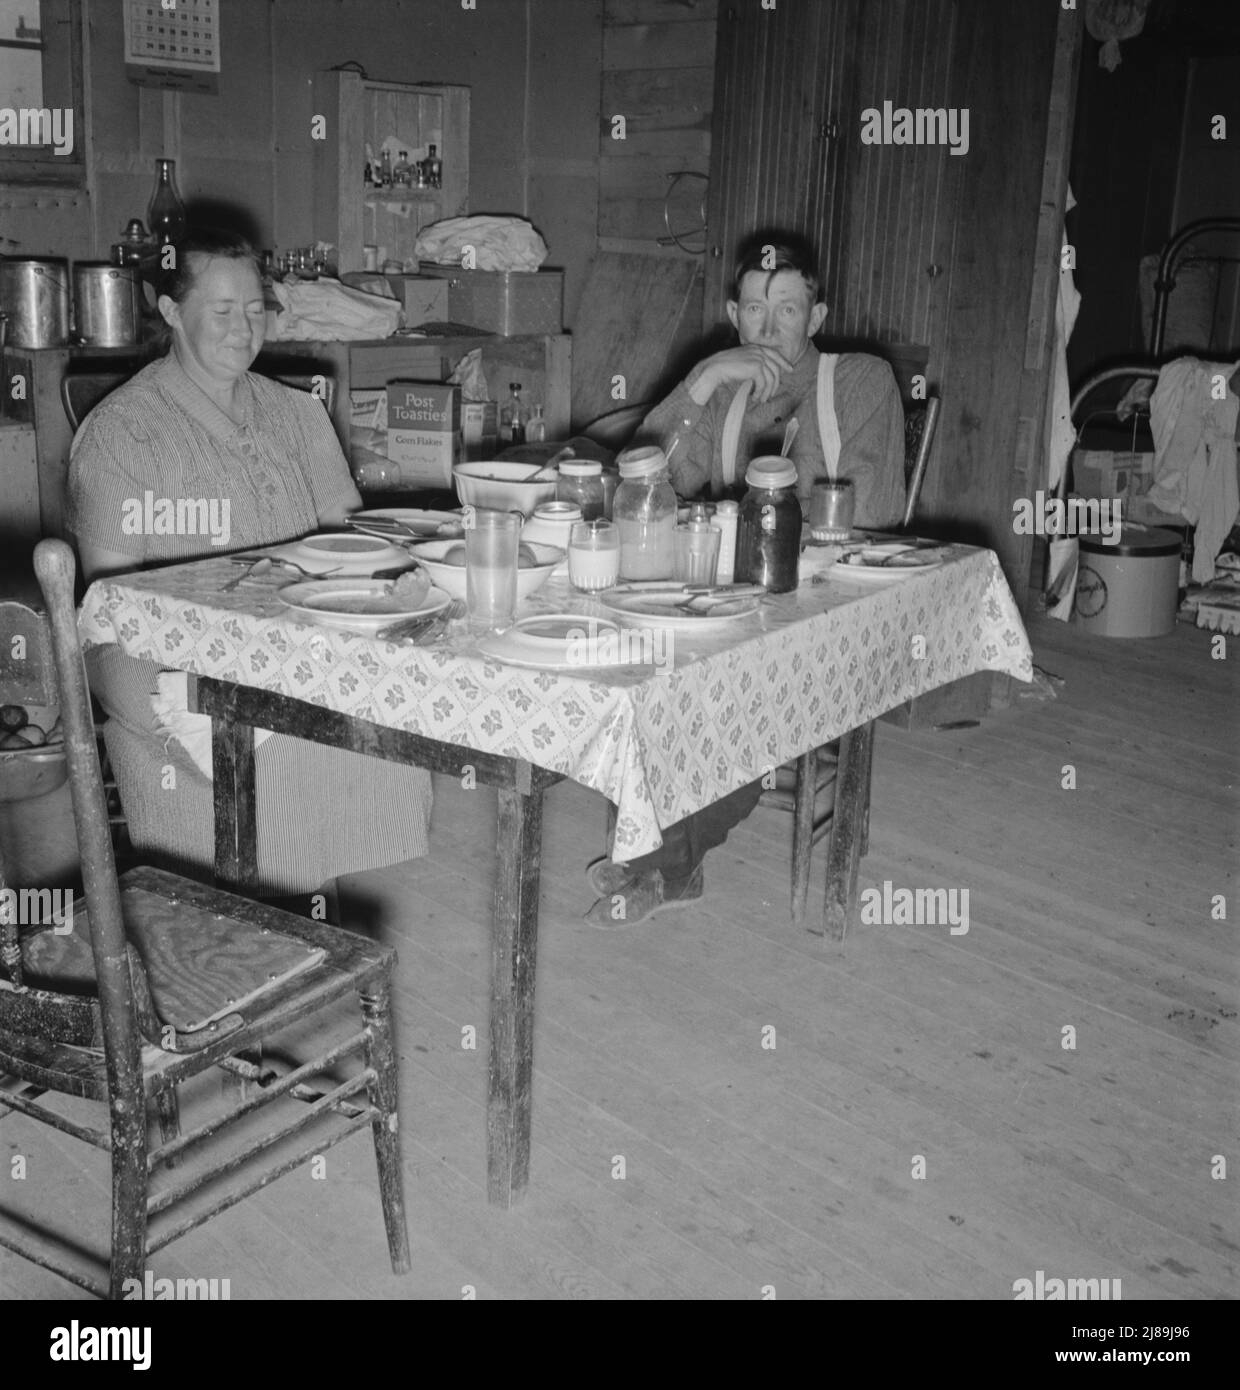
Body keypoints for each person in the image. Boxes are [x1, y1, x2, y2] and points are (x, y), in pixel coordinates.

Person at [68, 228, 433, 907]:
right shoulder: (124, 434)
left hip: (290, 633)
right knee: (283, 732)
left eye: (256, 308)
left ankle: (303, 907)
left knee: (389, 696)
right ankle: (247, 930)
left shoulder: (297, 413)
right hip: (156, 651)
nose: (245, 328)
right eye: (223, 310)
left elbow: (353, 543)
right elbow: (111, 608)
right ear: (172, 312)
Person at [583, 233, 906, 928]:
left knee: (728, 684)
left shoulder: (859, 380)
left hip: (822, 615)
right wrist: (699, 383)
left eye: (787, 310)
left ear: (815, 318)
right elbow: (642, 483)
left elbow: (873, 516)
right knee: (637, 653)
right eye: (755, 311)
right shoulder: (722, 392)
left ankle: (665, 864)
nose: (769, 327)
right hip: (726, 605)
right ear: (735, 315)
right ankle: (656, 850)